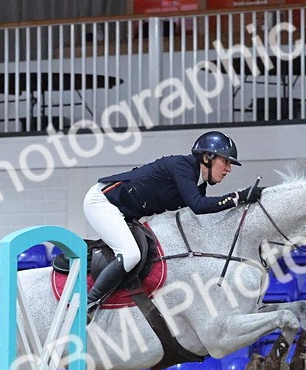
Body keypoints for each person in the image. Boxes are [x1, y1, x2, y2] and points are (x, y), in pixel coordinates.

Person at [81, 130, 261, 320]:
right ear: (207, 157)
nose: (228, 169)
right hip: (103, 202)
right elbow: (199, 206)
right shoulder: (182, 167)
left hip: (125, 213)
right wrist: (238, 197)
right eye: (225, 161)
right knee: (131, 254)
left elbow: (199, 215)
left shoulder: (198, 184)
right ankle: (89, 304)